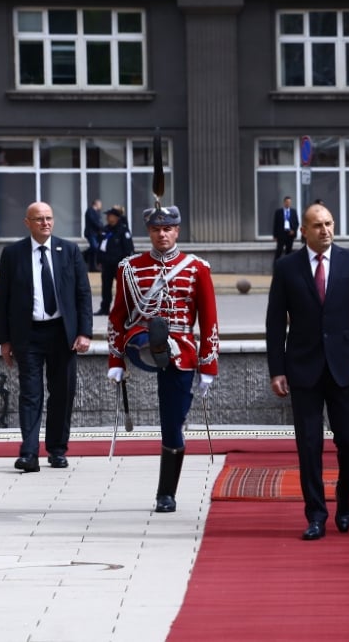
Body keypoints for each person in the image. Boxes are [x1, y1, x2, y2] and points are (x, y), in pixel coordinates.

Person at [266, 203, 349, 541]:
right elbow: (274, 323)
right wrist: (277, 369)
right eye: (317, 225)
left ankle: (344, 498)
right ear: (304, 230)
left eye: (329, 223)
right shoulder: (287, 268)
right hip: (302, 369)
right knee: (309, 445)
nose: (325, 230)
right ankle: (316, 514)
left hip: (345, 368)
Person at [106, 204, 219, 513]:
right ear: (149, 233)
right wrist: (116, 360)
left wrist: (208, 364)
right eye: (156, 230)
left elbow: (209, 320)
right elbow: (118, 317)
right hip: (139, 340)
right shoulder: (129, 267)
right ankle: (154, 346)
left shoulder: (197, 268)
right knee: (145, 337)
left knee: (173, 423)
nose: (162, 234)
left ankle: (165, 494)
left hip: (181, 350)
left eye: (167, 229)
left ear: (177, 231)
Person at [0, 202, 93, 472]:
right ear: (27, 223)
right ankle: (28, 453)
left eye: (49, 218)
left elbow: (83, 294)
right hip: (27, 335)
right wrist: (4, 340)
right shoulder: (13, 254)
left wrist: (84, 332)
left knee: (62, 393)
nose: (45, 223)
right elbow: (2, 299)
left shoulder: (69, 250)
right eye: (39, 219)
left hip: (62, 333)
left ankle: (57, 450)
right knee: (30, 394)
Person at [95, 206, 134, 316]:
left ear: (116, 217)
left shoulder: (123, 230)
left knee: (123, 287)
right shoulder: (106, 229)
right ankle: (104, 308)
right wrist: (99, 260)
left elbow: (128, 249)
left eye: (110, 215)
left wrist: (125, 264)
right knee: (106, 287)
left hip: (118, 264)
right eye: (107, 216)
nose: (107, 217)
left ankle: (125, 309)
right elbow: (100, 246)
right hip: (106, 264)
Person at [272, 196, 299, 261]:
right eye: (287, 202)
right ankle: (276, 267)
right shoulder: (278, 212)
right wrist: (275, 235)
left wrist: (293, 230)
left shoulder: (293, 211)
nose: (288, 203)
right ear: (284, 202)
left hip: (290, 234)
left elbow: (296, 223)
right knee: (279, 251)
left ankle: (287, 267)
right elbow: (275, 224)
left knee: (289, 251)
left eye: (289, 202)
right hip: (281, 234)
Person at [84, 198, 103, 272]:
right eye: (100, 204)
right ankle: (85, 255)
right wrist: (101, 227)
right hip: (91, 233)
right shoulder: (90, 211)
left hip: (96, 233)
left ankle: (93, 265)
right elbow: (94, 222)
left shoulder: (96, 212)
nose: (101, 206)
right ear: (96, 204)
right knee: (94, 247)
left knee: (95, 249)